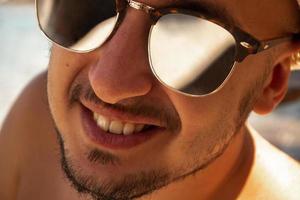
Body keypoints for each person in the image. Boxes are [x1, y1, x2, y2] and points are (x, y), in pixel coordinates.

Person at [1, 0, 300, 199]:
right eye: (90, 6)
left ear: (271, 79)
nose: (107, 85)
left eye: (191, 38)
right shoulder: (37, 123)